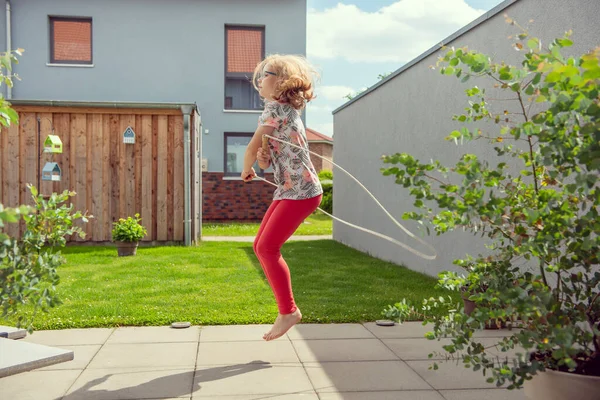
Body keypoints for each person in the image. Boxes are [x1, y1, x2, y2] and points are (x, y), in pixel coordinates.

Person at [241, 54, 323, 341]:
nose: (261, 79)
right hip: (290, 189)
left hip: (301, 192)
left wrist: (246, 165)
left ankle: (288, 311)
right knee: (260, 246)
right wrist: (262, 160)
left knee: (267, 248)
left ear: (281, 82)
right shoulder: (280, 112)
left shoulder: (276, 110)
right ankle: (287, 311)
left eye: (267, 73)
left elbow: (252, 147)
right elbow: (266, 157)